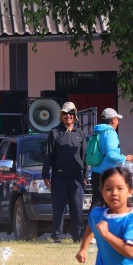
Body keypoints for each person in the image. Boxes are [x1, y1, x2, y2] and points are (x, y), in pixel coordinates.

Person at [43, 102, 87, 243]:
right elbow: (48, 154)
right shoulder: (54, 132)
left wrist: (85, 176)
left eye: (71, 113)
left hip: (76, 177)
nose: (68, 115)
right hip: (59, 176)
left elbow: (84, 156)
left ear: (75, 116)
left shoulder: (80, 133)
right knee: (58, 208)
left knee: (77, 208)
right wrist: (45, 175)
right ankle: (57, 236)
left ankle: (78, 236)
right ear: (62, 116)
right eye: (65, 113)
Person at [90, 108, 133, 207]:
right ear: (113, 120)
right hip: (107, 172)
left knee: (97, 201)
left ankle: (94, 217)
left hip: (95, 171)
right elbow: (111, 154)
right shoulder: (110, 133)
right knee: (110, 201)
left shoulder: (97, 131)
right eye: (117, 119)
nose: (117, 122)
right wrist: (124, 158)